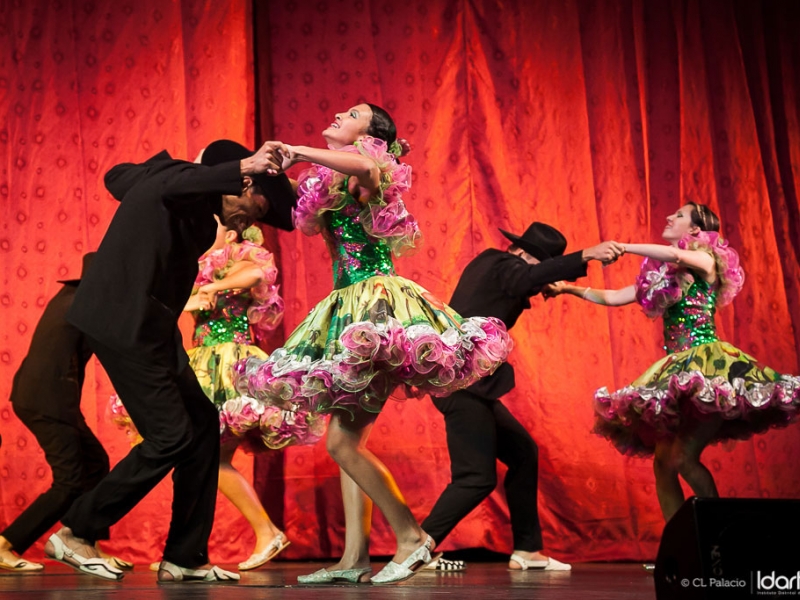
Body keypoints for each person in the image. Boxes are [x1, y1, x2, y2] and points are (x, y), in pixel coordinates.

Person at [235, 103, 513, 585]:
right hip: (345, 305)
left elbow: (365, 166)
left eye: (355, 112)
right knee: (347, 438)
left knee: (342, 443)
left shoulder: (371, 166)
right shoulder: (328, 181)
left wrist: (301, 150)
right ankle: (354, 559)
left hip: (378, 308)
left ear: (374, 133)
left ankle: (411, 537)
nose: (342, 113)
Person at [43, 140, 294, 582]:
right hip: (125, 321)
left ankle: (185, 555)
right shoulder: (175, 183)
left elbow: (119, 175)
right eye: (251, 211)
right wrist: (237, 165)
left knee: (202, 427)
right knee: (171, 436)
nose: (247, 224)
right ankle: (76, 531)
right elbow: (160, 178)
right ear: (241, 180)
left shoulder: (180, 192)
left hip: (153, 327)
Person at [545, 202, 800, 521]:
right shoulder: (666, 277)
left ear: (695, 229)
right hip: (676, 370)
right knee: (663, 464)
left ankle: (715, 540)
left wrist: (624, 247)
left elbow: (678, 255)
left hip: (708, 369)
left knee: (682, 457)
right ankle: (677, 545)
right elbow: (614, 297)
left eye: (679, 215)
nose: (669, 217)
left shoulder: (706, 260)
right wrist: (567, 288)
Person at [111, 217, 323, 570]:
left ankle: (259, 532)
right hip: (202, 360)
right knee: (201, 457)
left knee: (208, 456)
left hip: (230, 361)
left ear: (229, 232)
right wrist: (198, 294)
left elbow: (256, 275)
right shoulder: (197, 266)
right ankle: (194, 546)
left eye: (211, 226)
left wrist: (213, 288)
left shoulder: (239, 255)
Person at [420, 223, 623, 572]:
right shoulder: (501, 264)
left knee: (523, 453)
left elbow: (525, 281)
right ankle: (417, 545)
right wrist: (586, 254)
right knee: (476, 477)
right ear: (526, 256)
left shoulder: (500, 269)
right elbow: (522, 278)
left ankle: (528, 549)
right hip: (462, 387)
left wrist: (562, 287)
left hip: (471, 386)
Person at [0, 254, 128, 573]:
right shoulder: (87, 305)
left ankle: (87, 544)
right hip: (49, 398)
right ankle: (5, 543)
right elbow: (124, 349)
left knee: (96, 461)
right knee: (70, 482)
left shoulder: (73, 298)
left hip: (50, 396)